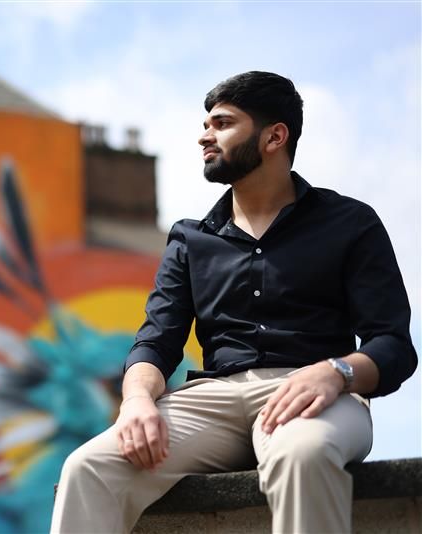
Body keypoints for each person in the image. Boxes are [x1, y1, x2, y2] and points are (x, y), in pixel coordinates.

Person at [50, 71, 417, 534]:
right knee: (88, 467)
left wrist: (335, 372)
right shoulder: (190, 238)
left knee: (302, 454)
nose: (205, 135)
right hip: (209, 401)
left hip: (313, 391)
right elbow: (156, 341)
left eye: (222, 123)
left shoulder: (350, 222)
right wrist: (136, 400)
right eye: (206, 123)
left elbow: (393, 345)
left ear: (274, 136)